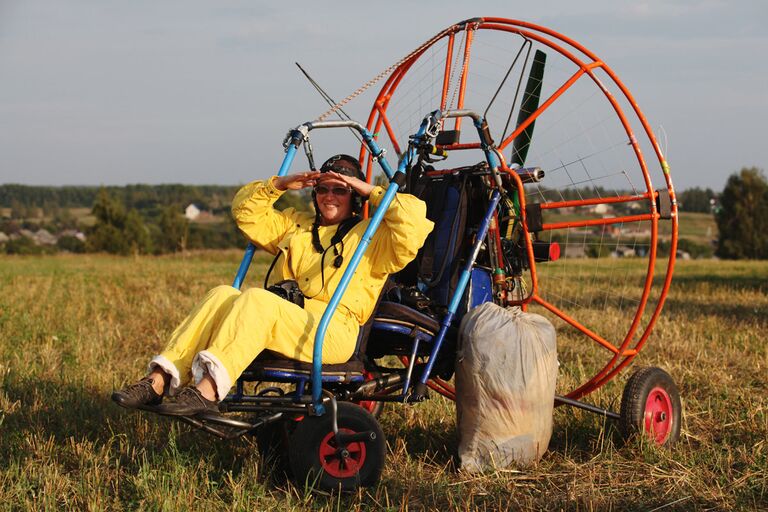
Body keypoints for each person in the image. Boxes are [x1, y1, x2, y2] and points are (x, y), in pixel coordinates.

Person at [111, 154, 434, 416]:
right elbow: (245, 212)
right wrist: (280, 185)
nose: (330, 197)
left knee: (257, 299)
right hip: (287, 320)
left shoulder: (374, 237)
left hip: (332, 331)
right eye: (323, 189)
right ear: (314, 194)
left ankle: (207, 392)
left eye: (340, 190)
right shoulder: (296, 226)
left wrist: (368, 188)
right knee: (222, 293)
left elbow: (415, 221)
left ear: (353, 195)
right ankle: (158, 380)